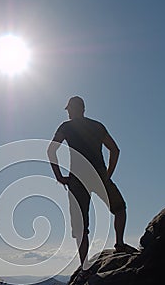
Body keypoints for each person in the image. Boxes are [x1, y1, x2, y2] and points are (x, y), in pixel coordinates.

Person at [47, 96, 129, 271]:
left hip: (77, 178)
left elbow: (51, 150)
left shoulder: (66, 127)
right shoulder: (97, 126)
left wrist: (59, 176)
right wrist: (108, 174)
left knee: (80, 226)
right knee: (119, 209)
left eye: (68, 109)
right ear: (83, 109)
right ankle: (120, 244)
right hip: (99, 175)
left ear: (73, 109)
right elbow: (115, 150)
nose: (68, 112)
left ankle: (84, 265)